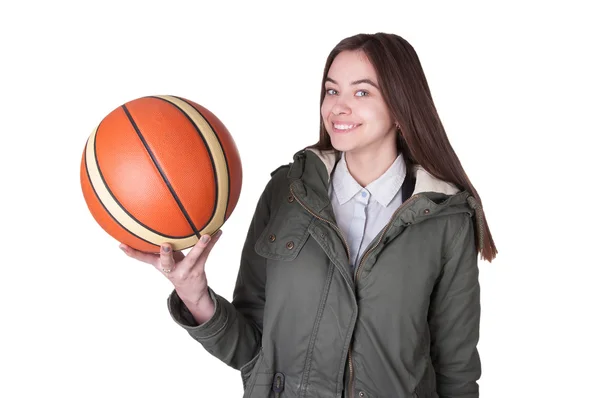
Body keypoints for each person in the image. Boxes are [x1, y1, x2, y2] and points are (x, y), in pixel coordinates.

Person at [120, 32, 497, 398]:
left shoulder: (445, 217)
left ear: (402, 107)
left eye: (361, 92)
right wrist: (194, 293)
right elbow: (252, 350)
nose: (338, 107)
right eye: (332, 90)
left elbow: (456, 368)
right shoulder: (287, 192)